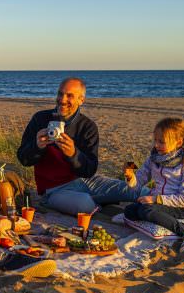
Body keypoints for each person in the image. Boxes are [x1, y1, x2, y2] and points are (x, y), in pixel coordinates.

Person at [17, 77, 147, 215]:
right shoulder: (40, 119)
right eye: (60, 94)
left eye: (70, 96)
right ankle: (101, 202)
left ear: (81, 100)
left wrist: (73, 154)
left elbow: (89, 170)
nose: (62, 99)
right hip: (54, 190)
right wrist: (37, 146)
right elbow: (23, 159)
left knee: (135, 191)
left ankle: (165, 203)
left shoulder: (88, 126)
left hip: (86, 181)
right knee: (85, 204)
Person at [123, 117, 184, 252]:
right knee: (129, 210)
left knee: (146, 210)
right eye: (155, 140)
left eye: (162, 142)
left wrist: (156, 199)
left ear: (178, 142)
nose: (156, 145)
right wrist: (130, 177)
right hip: (158, 205)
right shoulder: (153, 158)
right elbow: (138, 183)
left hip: (182, 208)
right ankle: (154, 218)